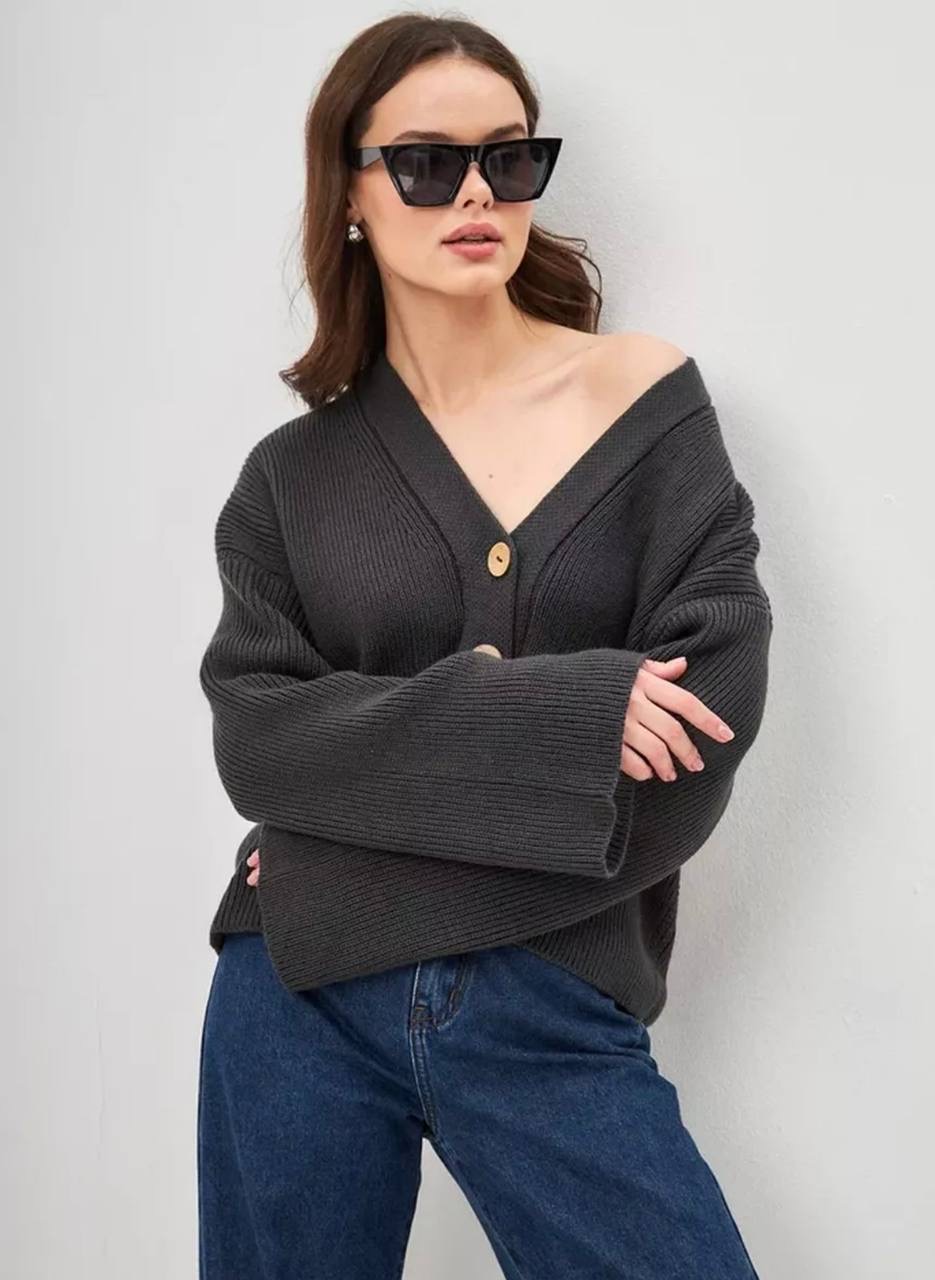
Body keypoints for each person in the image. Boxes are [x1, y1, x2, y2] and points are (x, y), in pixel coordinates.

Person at [197, 12, 770, 1278]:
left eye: (508, 158)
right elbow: (261, 740)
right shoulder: (289, 478)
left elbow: (712, 710)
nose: (475, 193)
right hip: (295, 999)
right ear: (349, 191)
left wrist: (355, 823)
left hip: (543, 995)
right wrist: (565, 717)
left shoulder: (643, 403)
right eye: (425, 162)